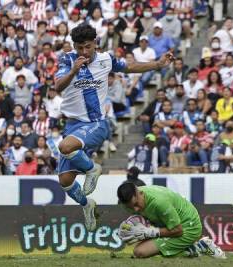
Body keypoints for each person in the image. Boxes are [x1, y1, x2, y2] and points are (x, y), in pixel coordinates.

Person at [55, 24, 173, 231]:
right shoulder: (67, 59)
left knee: (65, 147)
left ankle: (93, 169)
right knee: (65, 180)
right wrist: (74, 70)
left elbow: (131, 67)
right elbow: (58, 86)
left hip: (96, 123)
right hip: (72, 125)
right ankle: (87, 205)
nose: (84, 52)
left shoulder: (106, 59)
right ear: (74, 46)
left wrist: (158, 64)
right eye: (80, 48)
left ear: (95, 44)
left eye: (88, 47)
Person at [117, 183, 225, 259]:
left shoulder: (159, 202)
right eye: (131, 207)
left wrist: (149, 232)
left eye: (136, 204)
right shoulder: (127, 203)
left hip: (189, 226)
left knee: (140, 252)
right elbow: (142, 219)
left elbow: (178, 230)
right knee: (140, 249)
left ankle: (200, 247)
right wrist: (130, 227)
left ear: (139, 192)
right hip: (166, 223)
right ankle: (188, 247)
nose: (135, 209)